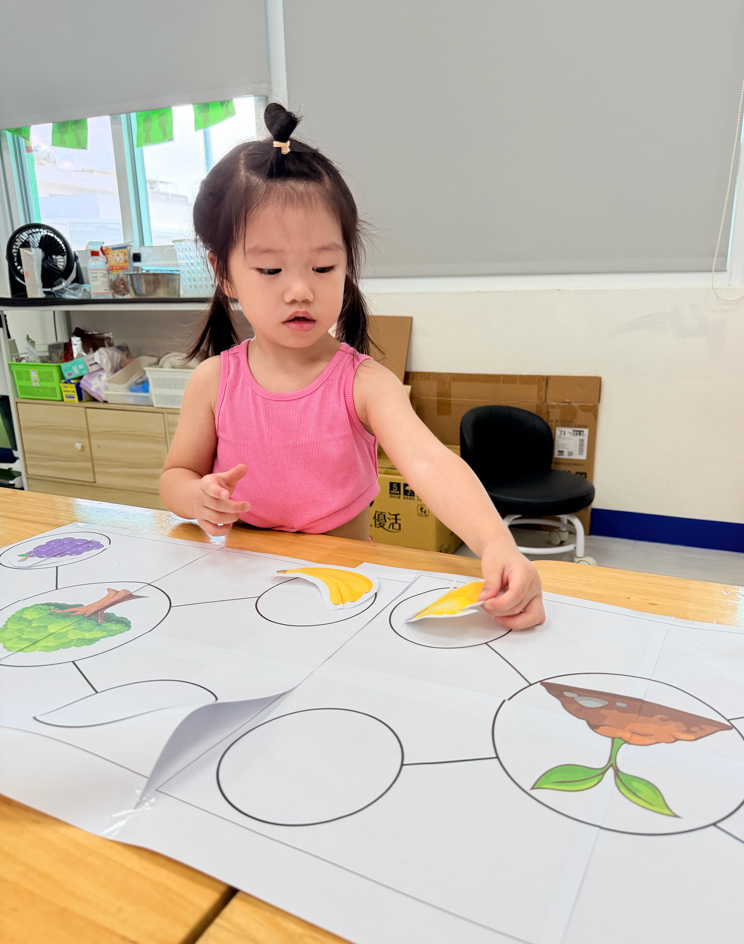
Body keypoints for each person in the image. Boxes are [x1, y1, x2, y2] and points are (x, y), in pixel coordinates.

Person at [159, 103, 544, 631]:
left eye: (324, 266)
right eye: (270, 269)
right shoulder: (213, 382)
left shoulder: (364, 383)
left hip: (345, 587)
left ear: (347, 265)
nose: (300, 289)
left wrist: (497, 543)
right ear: (223, 272)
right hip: (240, 584)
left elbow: (430, 463)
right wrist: (196, 497)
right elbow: (175, 477)